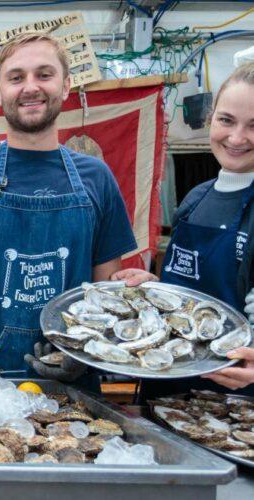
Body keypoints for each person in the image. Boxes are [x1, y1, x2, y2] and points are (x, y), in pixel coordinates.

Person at [0, 33, 137, 380]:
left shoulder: (97, 177)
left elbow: (104, 289)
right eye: (16, 78)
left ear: (65, 86)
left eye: (44, 75)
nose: (30, 87)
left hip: (74, 385)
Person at [114, 62, 254, 394]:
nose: (236, 137)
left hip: (231, 397)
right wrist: (156, 289)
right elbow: (190, 295)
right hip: (166, 380)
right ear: (210, 119)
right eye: (226, 120)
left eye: (253, 125)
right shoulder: (195, 198)